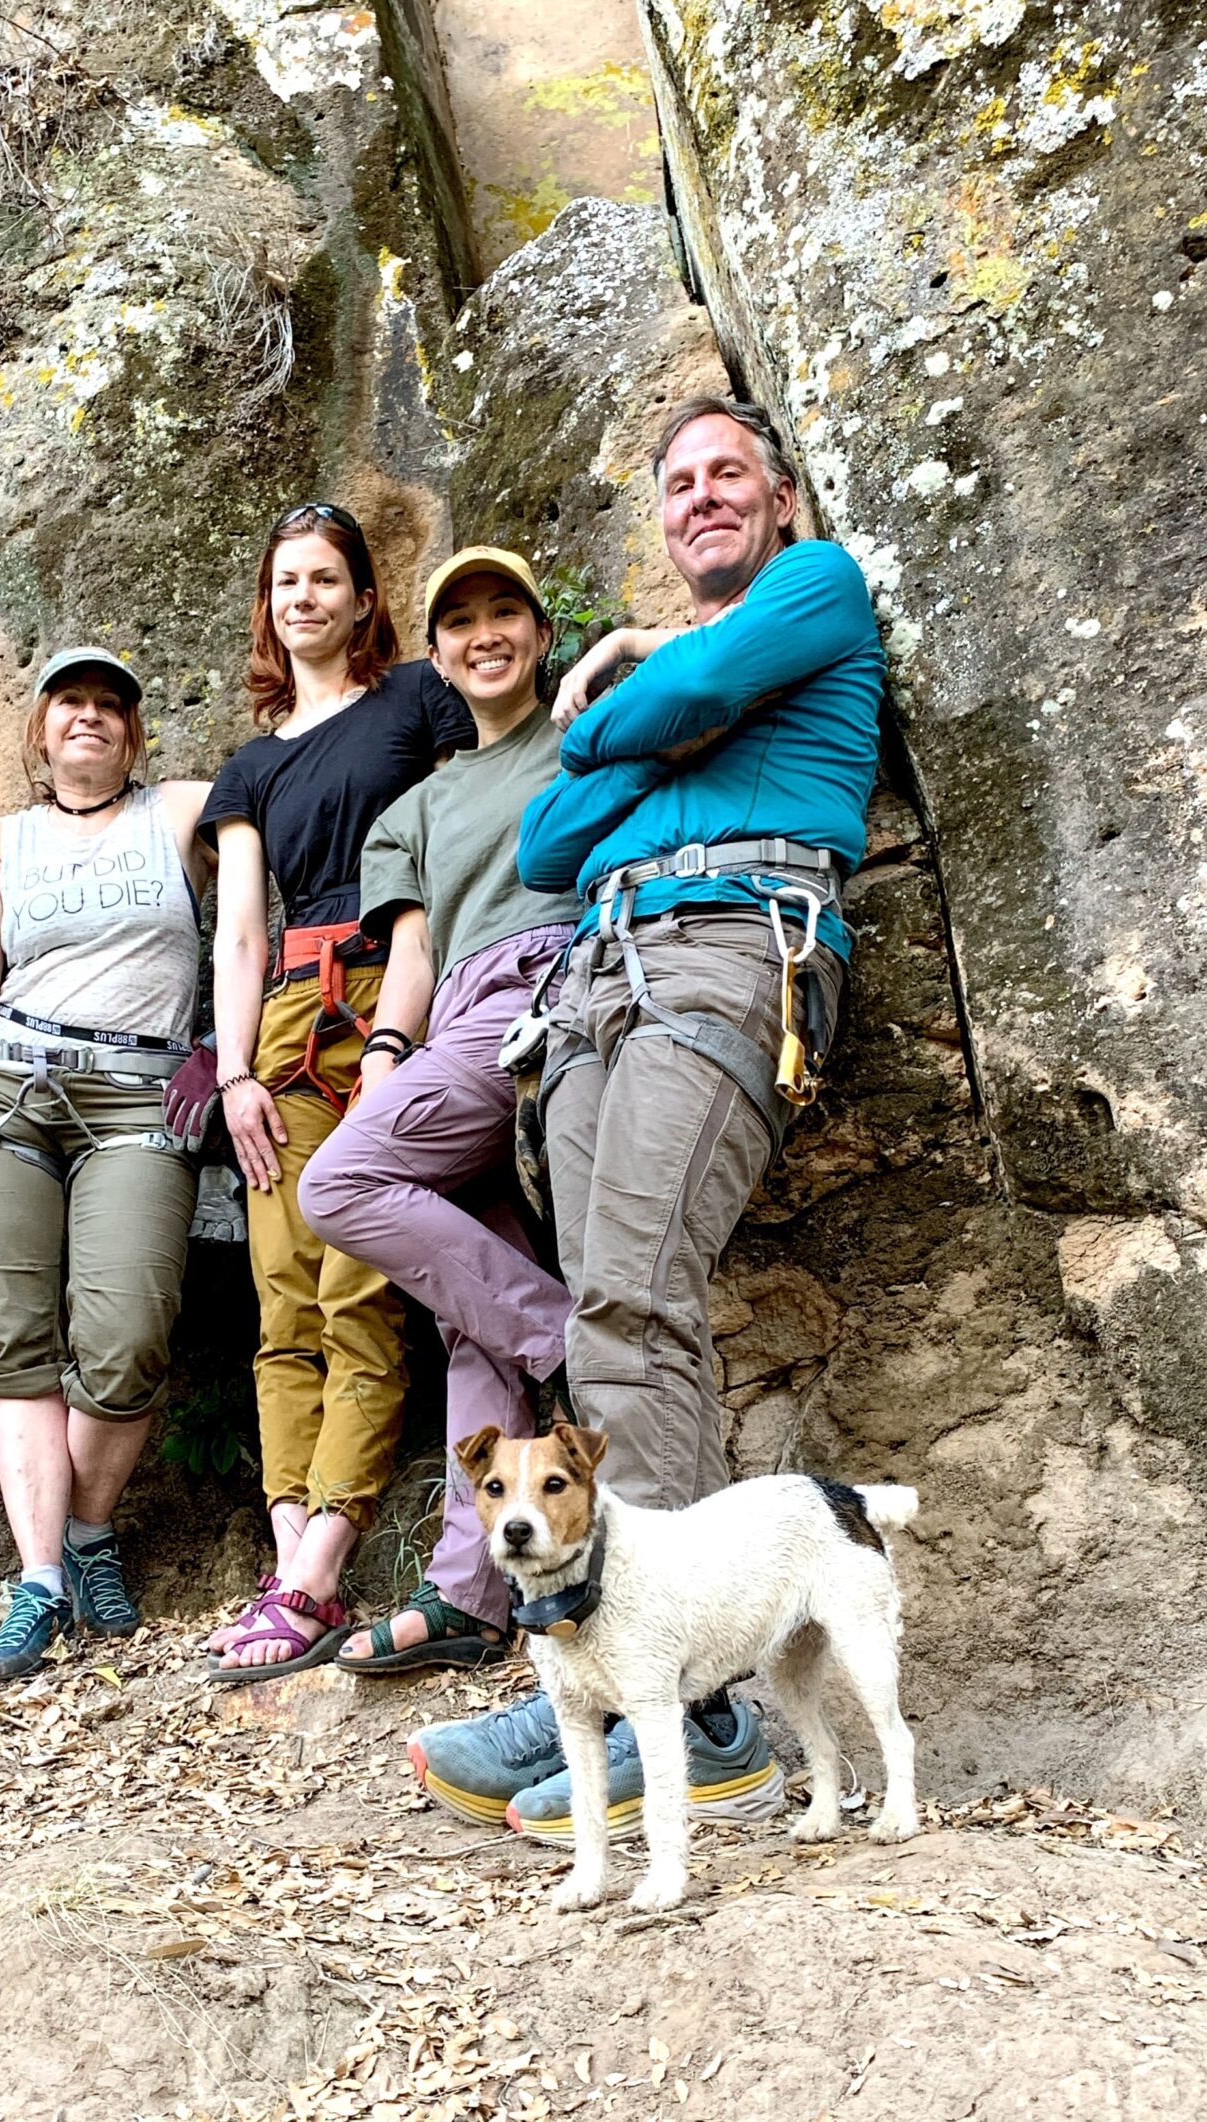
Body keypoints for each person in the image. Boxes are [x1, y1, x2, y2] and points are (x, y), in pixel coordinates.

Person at [409, 397, 885, 1842]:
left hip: (736, 945)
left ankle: (705, 1709)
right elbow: (551, 839)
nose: (699, 498)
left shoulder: (818, 586)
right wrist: (678, 698)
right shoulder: (711, 661)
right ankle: (599, 1663)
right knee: (602, 1306)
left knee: (632, 1294)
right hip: (599, 975)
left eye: (724, 473)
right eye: (675, 485)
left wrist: (640, 682)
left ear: (780, 496)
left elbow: (667, 718)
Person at [200, 503, 476, 1679]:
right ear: (269, 608)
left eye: (326, 579)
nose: (304, 597)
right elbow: (240, 930)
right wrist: (235, 1074)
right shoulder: (251, 765)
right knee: (281, 1297)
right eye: (285, 583)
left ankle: (320, 1564)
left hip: (388, 991)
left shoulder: (417, 701)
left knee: (358, 1281)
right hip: (284, 1012)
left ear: (368, 599)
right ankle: (288, 1560)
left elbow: (477, 818)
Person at [296, 546, 582, 1672]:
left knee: (339, 1184)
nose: (483, 633)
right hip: (462, 1016)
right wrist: (386, 1057)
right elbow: (412, 949)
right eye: (458, 620)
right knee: (461, 1299)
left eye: (505, 610)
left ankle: (562, 1336)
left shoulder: (586, 739)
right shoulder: (415, 806)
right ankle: (472, 1589)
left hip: (555, 973)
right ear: (437, 655)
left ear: (540, 633)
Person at [0, 650, 212, 1681]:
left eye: (110, 707)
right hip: (7, 1093)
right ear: (39, 733)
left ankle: (84, 1528)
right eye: (69, 704)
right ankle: (39, 1579)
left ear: (133, 733)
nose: (89, 718)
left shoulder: (184, 816)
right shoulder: (0, 843)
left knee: (127, 1335)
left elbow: (263, 915)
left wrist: (229, 1046)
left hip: (139, 1092)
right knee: (19, 1338)